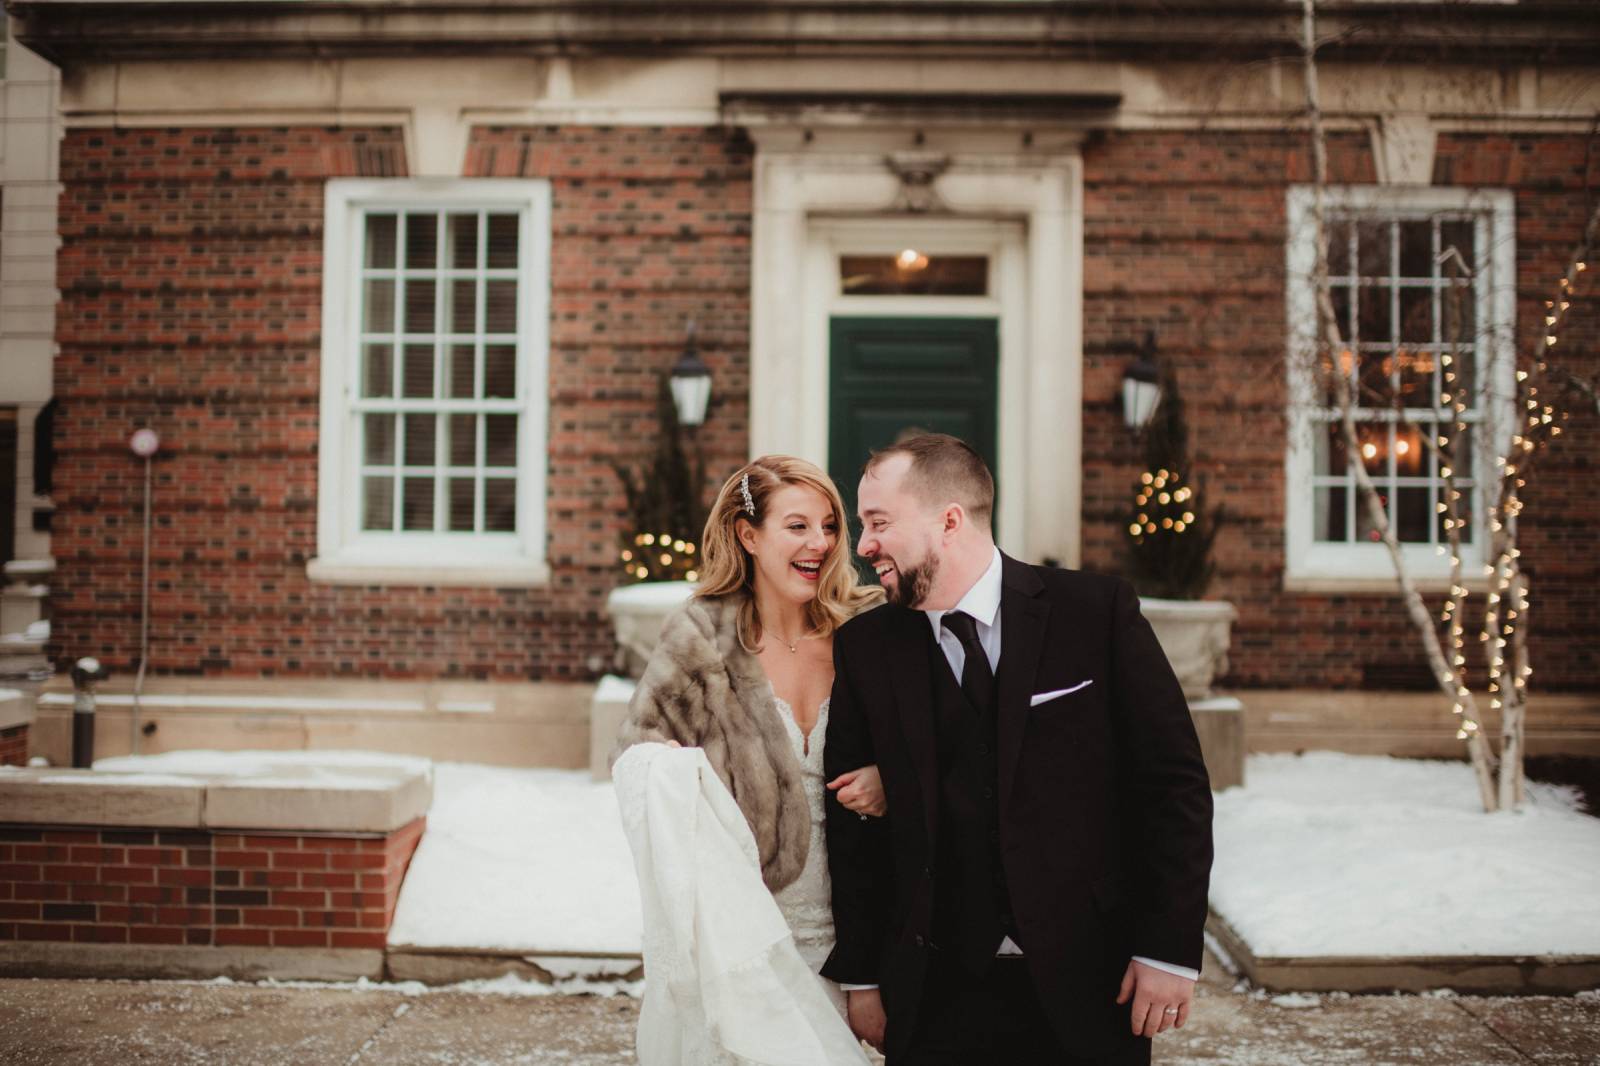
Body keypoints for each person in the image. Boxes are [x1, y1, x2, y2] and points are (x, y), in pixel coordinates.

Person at [822, 433, 1215, 1065]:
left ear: (948, 520)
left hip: (1090, 981)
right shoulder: (866, 647)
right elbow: (853, 832)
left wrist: (1167, 948)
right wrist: (864, 975)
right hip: (934, 991)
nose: (863, 545)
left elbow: (1172, 787)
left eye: (878, 522)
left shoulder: (1094, 613)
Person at [613, 455, 887, 1064]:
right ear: (748, 535)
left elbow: (937, 742)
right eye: (797, 526)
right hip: (745, 946)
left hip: (865, 941)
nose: (820, 542)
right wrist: (678, 777)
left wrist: (891, 777)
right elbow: (639, 758)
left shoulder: (869, 629)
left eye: (830, 526)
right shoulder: (701, 640)